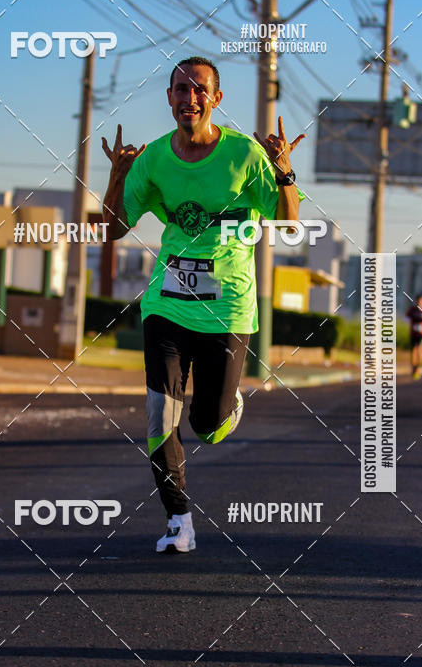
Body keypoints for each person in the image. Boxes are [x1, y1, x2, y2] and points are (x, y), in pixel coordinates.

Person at [101, 56, 305, 552]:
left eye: (199, 90)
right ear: (169, 98)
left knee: (207, 427)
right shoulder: (152, 160)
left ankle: (225, 406)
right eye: (179, 89)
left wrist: (283, 171)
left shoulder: (243, 154)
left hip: (229, 308)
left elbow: (288, 223)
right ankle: (178, 521)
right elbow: (110, 229)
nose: (188, 98)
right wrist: (118, 175)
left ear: (215, 99)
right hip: (167, 304)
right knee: (159, 416)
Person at [405, 294, 422, 379]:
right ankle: (413, 367)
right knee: (413, 350)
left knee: (420, 349)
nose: (420, 302)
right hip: (413, 333)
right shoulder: (413, 310)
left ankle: (418, 368)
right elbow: (406, 318)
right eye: (418, 301)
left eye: (421, 301)